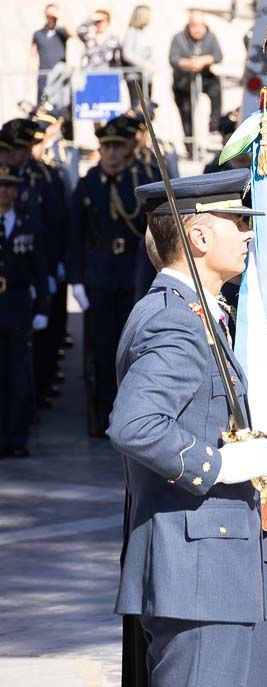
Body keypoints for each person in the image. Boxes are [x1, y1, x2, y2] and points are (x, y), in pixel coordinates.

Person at [109, 168, 267, 687]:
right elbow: (135, 423)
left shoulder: (203, 316)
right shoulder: (174, 322)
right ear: (199, 234)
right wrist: (224, 464)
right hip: (201, 573)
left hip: (228, 568)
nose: (247, 235)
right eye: (239, 223)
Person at [66, 117, 151, 437]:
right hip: (100, 275)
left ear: (128, 148)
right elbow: (74, 236)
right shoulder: (88, 185)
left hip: (135, 272)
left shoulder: (143, 178)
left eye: (118, 146)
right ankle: (103, 413)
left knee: (135, 347)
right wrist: (76, 279)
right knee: (102, 350)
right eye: (107, 147)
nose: (112, 153)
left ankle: (135, 414)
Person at [0, 165, 50, 458]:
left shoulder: (29, 225)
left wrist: (42, 306)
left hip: (18, 306)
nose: (4, 191)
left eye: (9, 186)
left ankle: (17, 438)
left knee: (18, 375)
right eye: (1, 185)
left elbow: (39, 271)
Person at [168, 11, 224, 153]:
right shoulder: (178, 38)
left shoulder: (211, 37)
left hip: (204, 76)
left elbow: (218, 56)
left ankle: (215, 125)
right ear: (189, 25)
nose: (197, 29)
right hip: (183, 81)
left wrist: (203, 61)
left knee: (216, 88)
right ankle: (190, 146)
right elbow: (173, 59)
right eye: (194, 26)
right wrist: (189, 63)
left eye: (200, 26)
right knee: (187, 113)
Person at [29, 4, 71, 102]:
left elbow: (72, 33)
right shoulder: (38, 34)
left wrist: (60, 16)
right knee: (42, 104)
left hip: (60, 75)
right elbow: (32, 55)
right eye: (49, 16)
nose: (51, 18)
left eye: (53, 16)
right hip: (43, 75)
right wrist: (30, 76)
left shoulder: (61, 32)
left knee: (59, 104)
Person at [122, 5, 154, 101]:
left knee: (147, 109)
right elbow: (127, 54)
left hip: (146, 77)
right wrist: (143, 64)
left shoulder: (144, 33)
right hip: (135, 76)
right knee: (138, 108)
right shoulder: (131, 32)